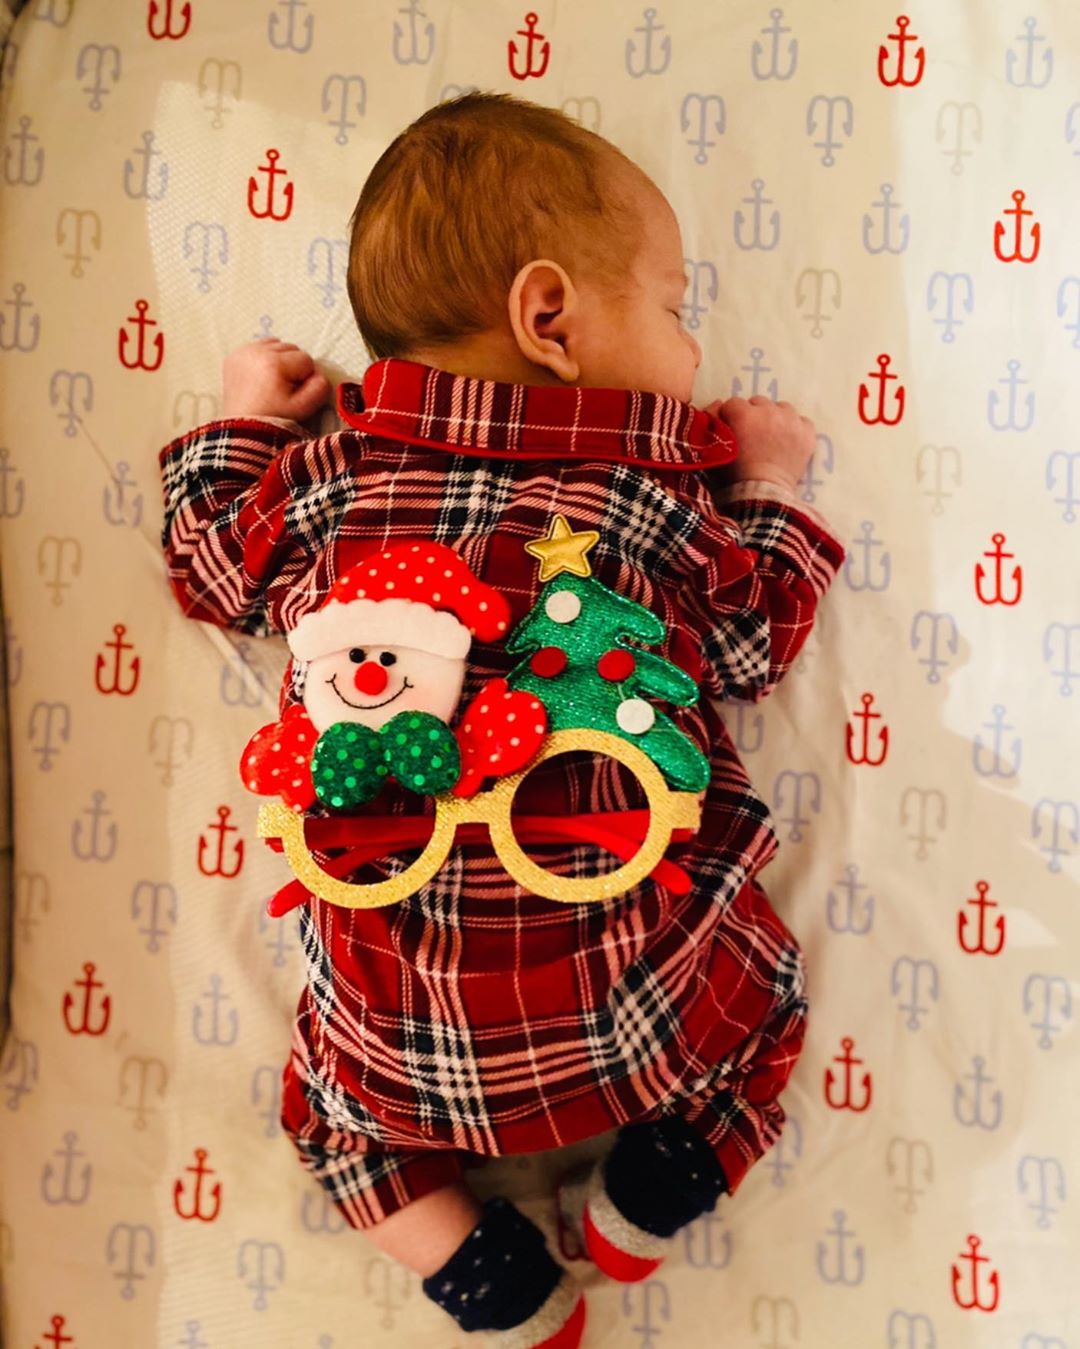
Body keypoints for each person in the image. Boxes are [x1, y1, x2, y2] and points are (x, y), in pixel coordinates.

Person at [158, 90, 847, 1349]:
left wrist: (245, 421)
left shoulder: (325, 483)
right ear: (551, 320)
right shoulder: (647, 498)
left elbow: (205, 568)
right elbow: (754, 644)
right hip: (645, 1013)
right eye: (676, 306)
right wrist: (771, 481)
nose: (694, 344)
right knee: (770, 1005)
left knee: (330, 1125)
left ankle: (487, 1275)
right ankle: (650, 1192)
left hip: (394, 1045)